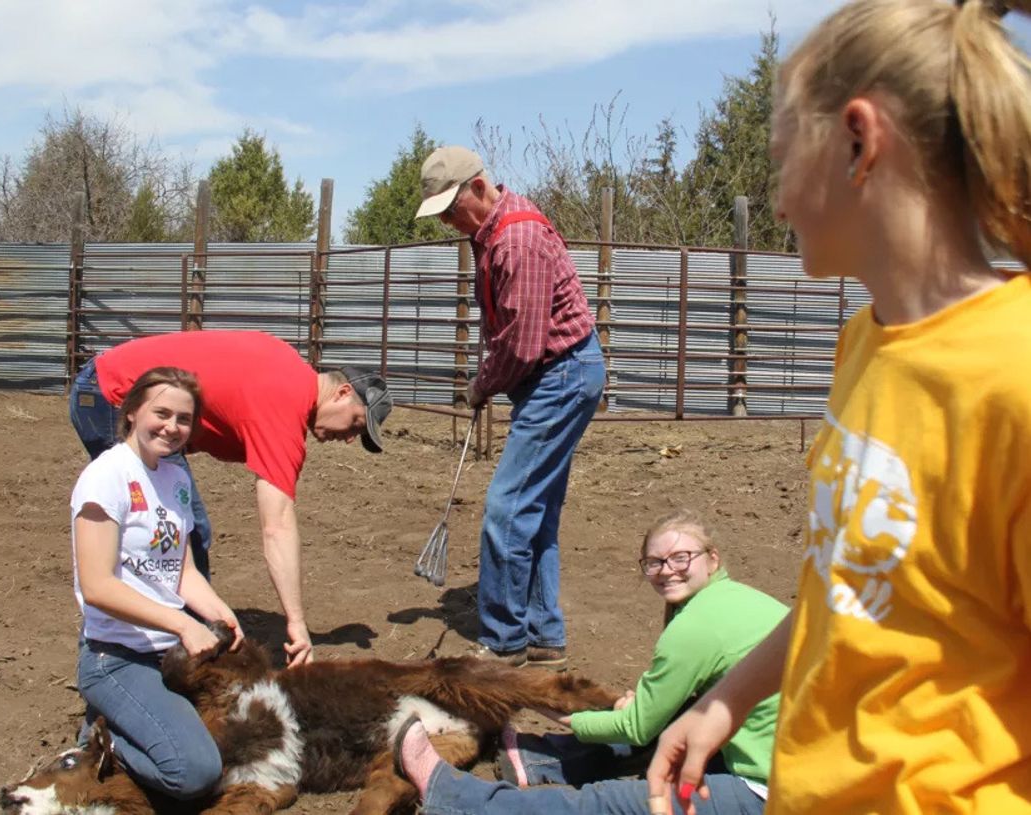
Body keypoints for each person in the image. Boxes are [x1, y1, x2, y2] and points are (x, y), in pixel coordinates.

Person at [645, 2, 1031, 814]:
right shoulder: (864, 341)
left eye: (782, 158)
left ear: (859, 142)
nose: (777, 201)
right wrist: (730, 697)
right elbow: (849, 585)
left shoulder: (1015, 376)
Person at [387, 511, 786, 815]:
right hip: (791, 757)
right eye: (655, 562)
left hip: (774, 790)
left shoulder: (696, 627)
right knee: (673, 715)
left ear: (711, 559)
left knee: (600, 804)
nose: (667, 571)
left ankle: (457, 798)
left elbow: (637, 727)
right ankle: (536, 759)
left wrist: (555, 710)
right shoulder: (740, 599)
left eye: (682, 557)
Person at [69, 330, 392, 667]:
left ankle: (185, 649)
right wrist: (296, 622)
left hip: (118, 386)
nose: (351, 439)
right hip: (114, 394)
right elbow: (277, 527)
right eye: (356, 424)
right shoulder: (285, 402)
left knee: (186, 535)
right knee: (159, 537)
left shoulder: (288, 376)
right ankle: (127, 659)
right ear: (341, 393)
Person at [415, 145, 605, 669]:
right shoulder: (493, 233)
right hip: (556, 373)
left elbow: (521, 345)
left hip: (559, 374)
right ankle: (543, 635)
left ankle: (504, 644)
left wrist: (482, 385)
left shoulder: (516, 238)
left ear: (478, 186)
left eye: (452, 209)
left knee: (507, 509)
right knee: (535, 510)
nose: (450, 222)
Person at [72, 366, 242, 800]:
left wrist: (218, 612)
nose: (172, 427)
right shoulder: (106, 477)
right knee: (195, 773)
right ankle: (103, 736)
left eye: (183, 419)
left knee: (240, 742)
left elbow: (180, 571)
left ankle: (124, 720)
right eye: (161, 413)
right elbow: (97, 586)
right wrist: (183, 624)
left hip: (167, 653)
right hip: (117, 655)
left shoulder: (175, 479)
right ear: (130, 412)